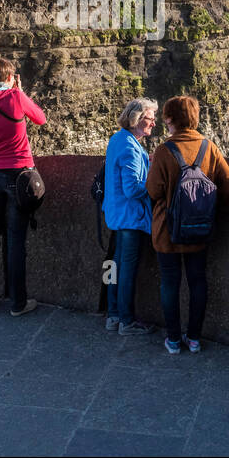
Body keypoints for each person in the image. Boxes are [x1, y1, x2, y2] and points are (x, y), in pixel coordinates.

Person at [146, 95, 229, 354]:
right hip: (199, 230)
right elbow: (228, 185)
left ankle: (173, 339)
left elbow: (153, 191)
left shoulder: (164, 151)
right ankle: (194, 338)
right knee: (198, 282)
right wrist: (214, 213)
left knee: (170, 283)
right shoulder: (210, 147)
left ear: (171, 118)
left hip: (167, 232)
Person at [0, 59, 46, 317]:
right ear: (12, 77)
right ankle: (18, 303)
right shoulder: (16, 97)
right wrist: (20, 91)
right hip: (19, 174)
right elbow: (41, 119)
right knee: (15, 240)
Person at [102, 98, 157, 335]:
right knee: (126, 269)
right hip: (130, 217)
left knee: (114, 264)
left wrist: (146, 161)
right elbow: (133, 188)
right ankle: (126, 320)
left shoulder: (118, 139)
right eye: (150, 118)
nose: (153, 123)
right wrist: (154, 178)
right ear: (136, 119)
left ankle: (112, 315)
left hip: (116, 213)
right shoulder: (129, 147)